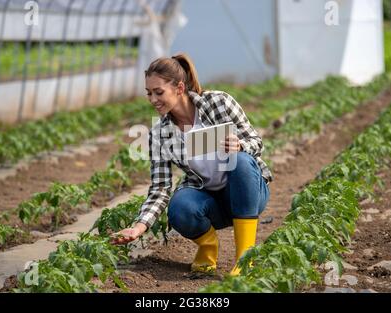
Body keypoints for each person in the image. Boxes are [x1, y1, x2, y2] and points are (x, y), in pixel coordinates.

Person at [111, 53, 272, 276]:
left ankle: (245, 258)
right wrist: (139, 226)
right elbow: (160, 188)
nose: (152, 99)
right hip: (210, 201)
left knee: (242, 162)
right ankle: (208, 247)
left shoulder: (219, 103)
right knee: (179, 207)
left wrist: (240, 145)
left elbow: (257, 143)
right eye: (149, 93)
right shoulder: (160, 134)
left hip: (248, 194)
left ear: (179, 88)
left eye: (159, 92)